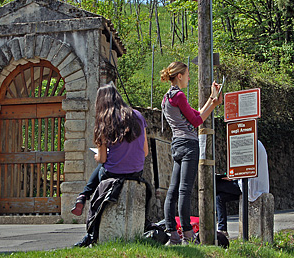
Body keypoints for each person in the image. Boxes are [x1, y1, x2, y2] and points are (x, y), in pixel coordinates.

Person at [71, 82, 149, 246]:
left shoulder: (104, 120)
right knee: (105, 165)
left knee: (100, 167)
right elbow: (145, 151)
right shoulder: (138, 116)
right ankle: (84, 195)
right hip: (137, 172)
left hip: (114, 172)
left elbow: (103, 159)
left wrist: (98, 158)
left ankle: (84, 197)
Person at [161, 61, 223, 245]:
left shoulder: (167, 97)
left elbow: (195, 114)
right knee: (184, 191)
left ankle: (172, 233)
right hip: (189, 145)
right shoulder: (179, 95)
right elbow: (196, 121)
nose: (189, 78)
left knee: (173, 190)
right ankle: (188, 233)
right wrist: (214, 103)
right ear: (179, 76)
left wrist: (212, 100)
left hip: (176, 144)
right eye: (187, 74)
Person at [216, 140, 269, 237]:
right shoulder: (256, 143)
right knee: (219, 197)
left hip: (250, 184)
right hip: (252, 183)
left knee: (216, 185)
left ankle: (217, 227)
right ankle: (222, 229)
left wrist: (231, 177)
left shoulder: (249, 144)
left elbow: (243, 169)